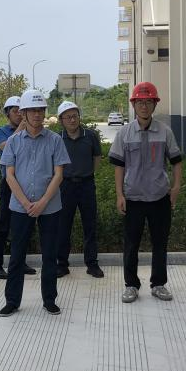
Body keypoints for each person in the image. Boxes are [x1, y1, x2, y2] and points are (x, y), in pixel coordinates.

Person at [0, 89, 70, 317]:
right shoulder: (13, 141)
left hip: (50, 207)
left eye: (40, 110)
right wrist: (26, 203)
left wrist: (42, 202)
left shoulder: (55, 140)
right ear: (23, 113)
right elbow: (9, 175)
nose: (37, 114)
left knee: (49, 255)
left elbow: (59, 174)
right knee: (17, 255)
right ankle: (12, 301)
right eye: (32, 110)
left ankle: (49, 300)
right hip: (20, 208)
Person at [109, 82, 182, 304]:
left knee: (160, 243)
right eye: (140, 102)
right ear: (133, 105)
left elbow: (176, 162)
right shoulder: (124, 133)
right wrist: (119, 195)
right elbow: (119, 166)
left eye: (148, 101)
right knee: (131, 244)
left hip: (160, 198)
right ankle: (131, 285)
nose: (144, 106)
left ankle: (158, 284)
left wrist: (176, 188)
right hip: (133, 199)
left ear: (154, 105)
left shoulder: (165, 131)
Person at [55, 101, 104, 278]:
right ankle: (62, 264)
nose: (72, 120)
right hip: (65, 185)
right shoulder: (57, 138)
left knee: (90, 225)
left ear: (79, 117)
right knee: (63, 226)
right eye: (68, 117)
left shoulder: (90, 136)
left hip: (86, 185)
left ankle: (92, 264)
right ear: (61, 120)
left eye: (75, 116)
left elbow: (97, 158)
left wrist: (88, 173)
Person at [0, 96, 36, 279]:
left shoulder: (31, 131)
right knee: (3, 225)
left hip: (26, 184)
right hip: (9, 184)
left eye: (21, 111)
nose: (19, 115)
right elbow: (5, 146)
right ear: (7, 113)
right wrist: (20, 129)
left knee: (23, 226)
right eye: (15, 111)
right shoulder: (2, 132)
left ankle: (19, 261)